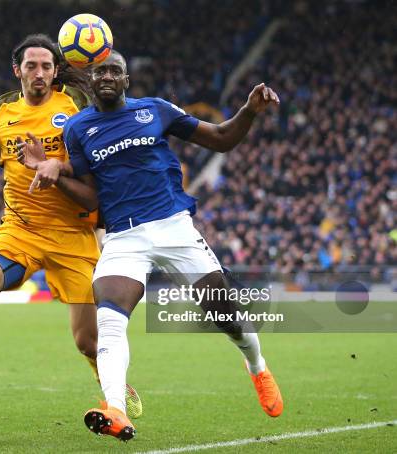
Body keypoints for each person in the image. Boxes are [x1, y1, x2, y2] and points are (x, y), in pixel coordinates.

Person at [18, 50, 283, 441]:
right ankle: (116, 410)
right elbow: (90, 199)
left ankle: (256, 365)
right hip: (124, 237)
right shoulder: (77, 129)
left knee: (226, 316)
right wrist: (52, 174)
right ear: (91, 81)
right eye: (100, 71)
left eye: (115, 71)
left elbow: (223, 139)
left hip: (174, 228)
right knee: (109, 319)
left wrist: (248, 110)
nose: (107, 76)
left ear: (126, 80)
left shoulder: (155, 110)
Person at [0, 37, 142, 429]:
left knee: (88, 342)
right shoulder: (1, 111)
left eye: (47, 67)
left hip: (73, 235)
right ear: (16, 70)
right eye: (32, 66)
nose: (39, 73)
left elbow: (107, 132)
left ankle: (114, 391)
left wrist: (58, 164)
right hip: (19, 231)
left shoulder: (74, 102)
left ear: (57, 71)